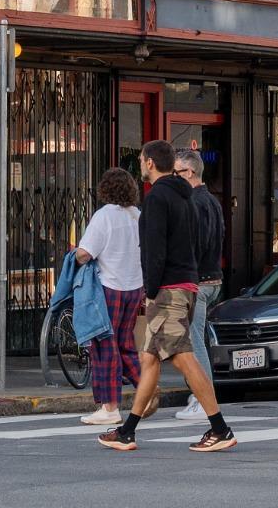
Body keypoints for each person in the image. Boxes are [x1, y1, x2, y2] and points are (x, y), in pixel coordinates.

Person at [97, 141, 236, 453]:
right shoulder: (185, 196)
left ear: (148, 163)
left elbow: (154, 250)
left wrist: (150, 292)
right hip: (185, 283)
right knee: (149, 359)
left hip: (169, 289)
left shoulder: (158, 197)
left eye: (143, 161)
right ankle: (127, 431)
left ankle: (220, 427)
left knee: (184, 358)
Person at [76, 168, 145, 426]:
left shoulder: (104, 216)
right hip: (134, 287)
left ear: (105, 189)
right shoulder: (138, 215)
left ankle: (110, 405)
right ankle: (146, 390)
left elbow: (85, 253)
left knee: (105, 345)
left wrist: (73, 257)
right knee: (126, 344)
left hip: (109, 286)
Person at [174, 148, 225, 422]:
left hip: (199, 281)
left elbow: (199, 242)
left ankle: (203, 399)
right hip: (212, 278)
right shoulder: (212, 201)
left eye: (177, 172)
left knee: (194, 344)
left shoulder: (194, 201)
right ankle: (202, 397)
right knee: (195, 340)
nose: (174, 177)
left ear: (190, 172)